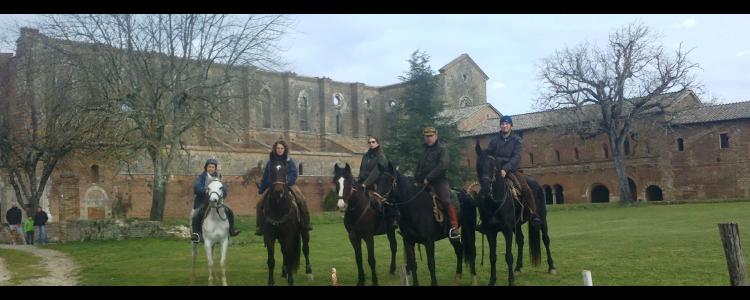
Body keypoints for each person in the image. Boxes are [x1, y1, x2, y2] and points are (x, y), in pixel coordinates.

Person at [485, 115, 542, 226]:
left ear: (511, 126)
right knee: (485, 189)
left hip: (512, 169)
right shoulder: (494, 140)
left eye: (507, 123)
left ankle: (534, 214)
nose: (504, 126)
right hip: (496, 170)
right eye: (502, 124)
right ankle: (486, 218)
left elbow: (516, 157)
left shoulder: (517, 140)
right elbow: (489, 153)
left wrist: (505, 169)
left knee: (526, 189)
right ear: (500, 126)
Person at [256, 140, 312, 236]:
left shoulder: (289, 161)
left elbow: (294, 173)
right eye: (278, 148)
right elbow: (266, 175)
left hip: (288, 184)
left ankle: (305, 223)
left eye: (281, 148)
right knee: (259, 203)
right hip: (273, 185)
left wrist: (287, 181)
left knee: (301, 199)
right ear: (275, 149)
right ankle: (260, 227)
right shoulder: (270, 162)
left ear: (284, 149)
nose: (280, 150)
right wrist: (262, 187)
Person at [414, 127, 460, 240]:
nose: (429, 138)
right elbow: (419, 167)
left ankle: (454, 227)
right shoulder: (423, 151)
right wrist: (416, 179)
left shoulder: (442, 149)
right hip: (423, 182)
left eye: (431, 136)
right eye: (427, 136)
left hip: (439, 182)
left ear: (436, 136)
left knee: (446, 200)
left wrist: (429, 178)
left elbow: (443, 166)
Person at [191, 158, 240, 243]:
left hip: (216, 202)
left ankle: (231, 230)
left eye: (213, 167)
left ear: (215, 168)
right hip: (203, 202)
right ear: (206, 167)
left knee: (229, 210)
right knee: (196, 214)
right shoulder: (201, 177)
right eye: (209, 167)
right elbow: (196, 189)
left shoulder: (218, 177)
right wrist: (206, 190)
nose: (211, 168)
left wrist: (222, 194)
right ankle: (196, 234)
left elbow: (224, 189)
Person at [357, 136, 398, 226]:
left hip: (377, 183)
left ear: (378, 143)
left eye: (373, 142)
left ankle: (391, 219)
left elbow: (376, 172)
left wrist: (366, 183)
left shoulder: (381, 157)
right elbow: (362, 169)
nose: (371, 144)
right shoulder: (365, 156)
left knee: (383, 200)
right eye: (370, 142)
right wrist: (359, 180)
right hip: (364, 182)